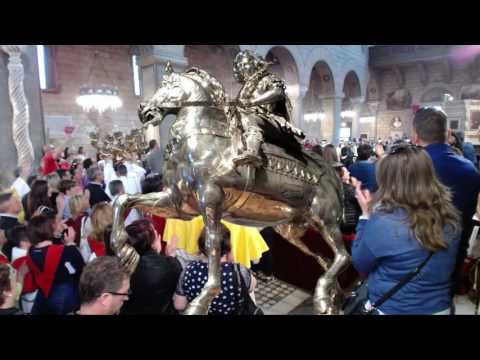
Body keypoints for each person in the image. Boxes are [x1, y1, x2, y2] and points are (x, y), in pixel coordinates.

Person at [352, 144, 461, 315]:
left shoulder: (384, 222)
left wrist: (365, 216)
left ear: (389, 182)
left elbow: (361, 264)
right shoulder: (451, 215)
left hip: (395, 308)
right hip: (441, 307)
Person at [412, 107, 480, 293]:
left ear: (415, 137)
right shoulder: (471, 170)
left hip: (411, 263)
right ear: (448, 133)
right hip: (452, 261)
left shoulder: (408, 169)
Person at [231, 50, 304, 167]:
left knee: (251, 117)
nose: (243, 68)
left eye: (245, 64)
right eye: (240, 66)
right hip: (247, 118)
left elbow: (278, 92)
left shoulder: (268, 78)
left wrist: (253, 102)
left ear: (255, 63)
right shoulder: (246, 88)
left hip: (269, 119)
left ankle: (253, 153)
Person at [173, 223, 257, 315]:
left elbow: (179, 305)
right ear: (228, 245)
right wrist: (234, 262)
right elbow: (252, 286)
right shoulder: (238, 271)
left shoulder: (189, 270)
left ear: (201, 245)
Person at [120, 219, 182, 315]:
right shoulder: (169, 266)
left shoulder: (119, 263)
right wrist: (171, 256)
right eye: (156, 234)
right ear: (153, 244)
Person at [27, 215, 84, 314]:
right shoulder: (65, 252)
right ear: (50, 229)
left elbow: (49, 250)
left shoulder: (31, 251)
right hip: (65, 300)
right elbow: (81, 268)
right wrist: (71, 244)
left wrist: (56, 234)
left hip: (42, 299)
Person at [0, 191, 23, 261]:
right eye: (16, 201)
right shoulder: (12, 225)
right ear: (10, 207)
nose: (20, 201)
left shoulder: (4, 222)